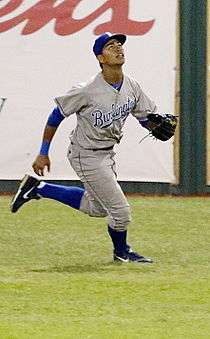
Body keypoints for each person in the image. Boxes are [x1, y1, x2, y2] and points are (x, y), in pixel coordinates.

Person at [10, 32, 157, 263]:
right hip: (85, 154)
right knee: (120, 212)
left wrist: (156, 126)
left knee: (97, 208)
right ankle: (122, 253)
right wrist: (43, 152)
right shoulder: (87, 89)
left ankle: (38, 188)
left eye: (119, 44)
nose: (118, 48)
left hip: (106, 153)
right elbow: (55, 116)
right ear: (100, 57)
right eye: (111, 46)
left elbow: (144, 117)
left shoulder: (131, 85)